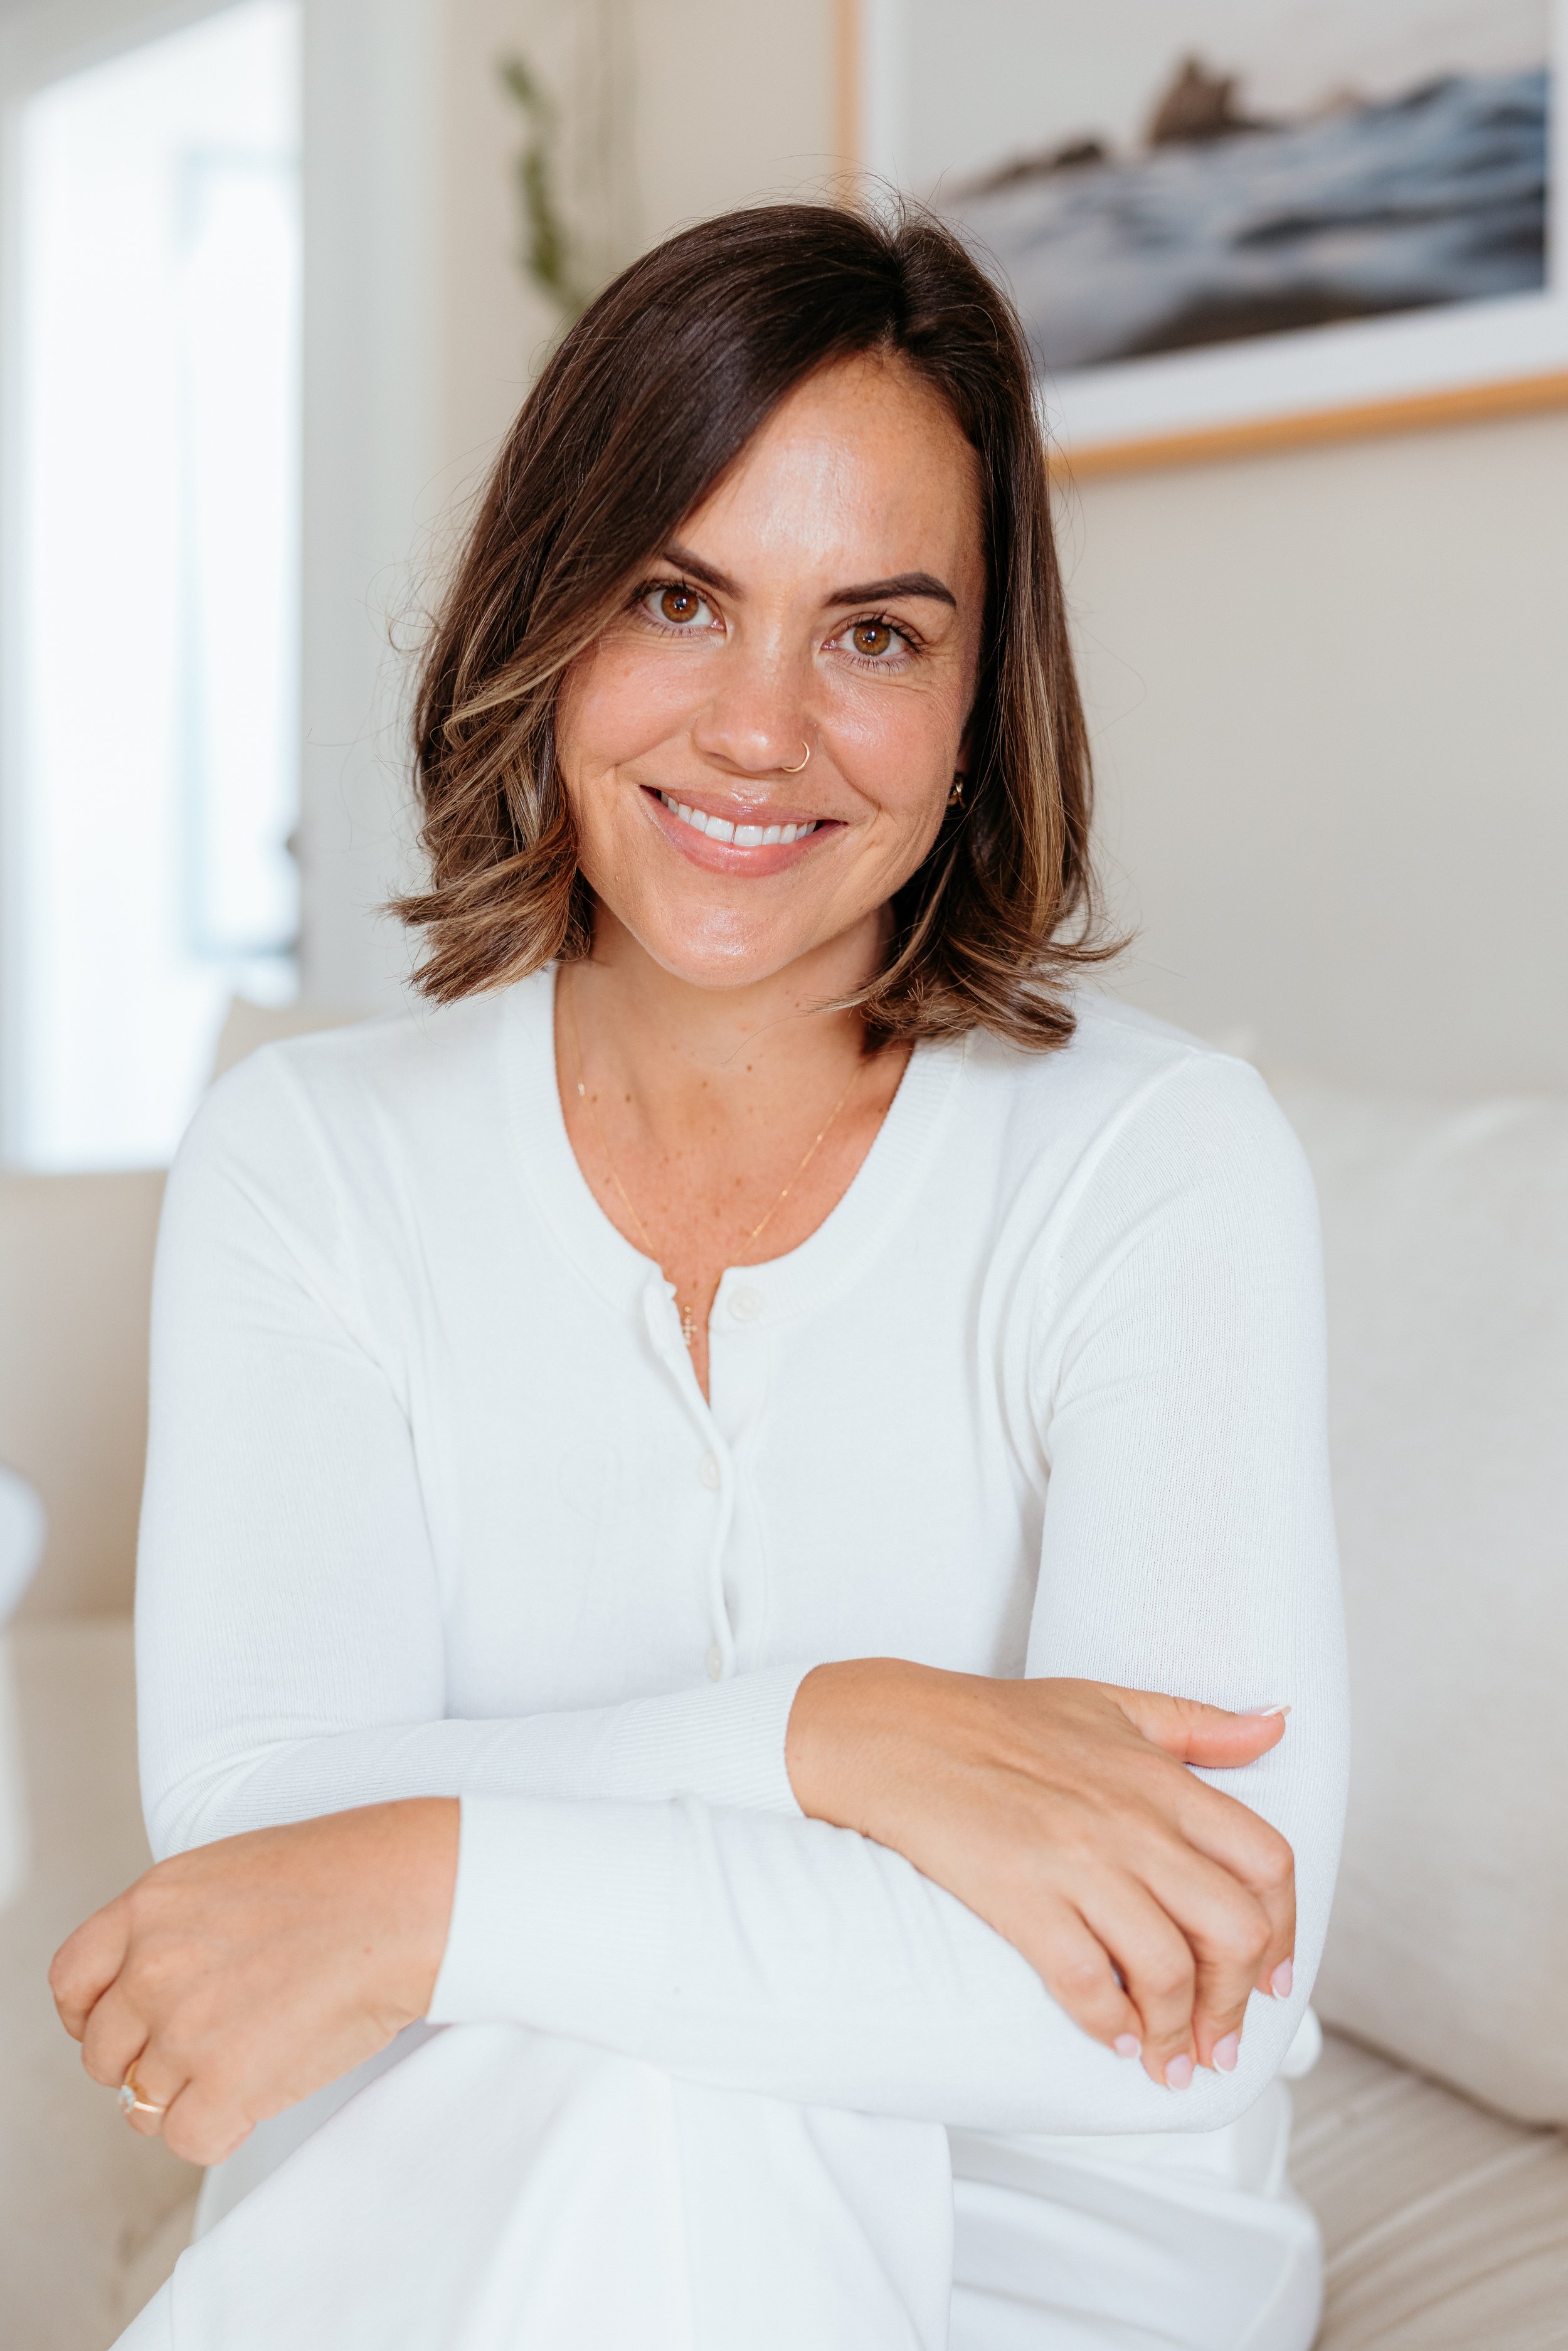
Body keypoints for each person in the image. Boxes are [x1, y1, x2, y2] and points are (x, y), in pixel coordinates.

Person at [52, 203, 1347, 2351]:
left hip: (1039, 2267)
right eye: (677, 596)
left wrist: (424, 1879)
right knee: (627, 2107)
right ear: (547, 617)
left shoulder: (1155, 1160)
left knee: (692, 2108)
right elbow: (254, 1843)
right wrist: (840, 1740)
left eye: (873, 632)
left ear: (970, 695)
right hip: (460, 2190)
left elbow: (1183, 1977)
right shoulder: (315, 1157)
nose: (760, 730)